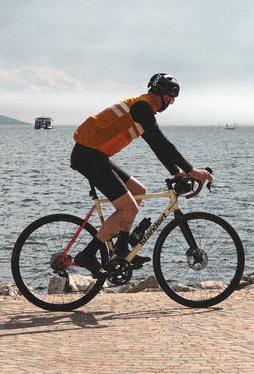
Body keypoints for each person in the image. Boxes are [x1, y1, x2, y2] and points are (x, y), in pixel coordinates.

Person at [69, 73, 213, 278]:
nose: (171, 104)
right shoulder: (142, 108)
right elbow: (162, 143)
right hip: (88, 155)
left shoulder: (142, 109)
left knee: (138, 191)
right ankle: (88, 254)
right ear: (162, 95)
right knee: (127, 207)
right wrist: (191, 170)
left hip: (95, 154)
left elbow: (157, 147)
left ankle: (121, 249)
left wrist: (177, 172)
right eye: (171, 99)